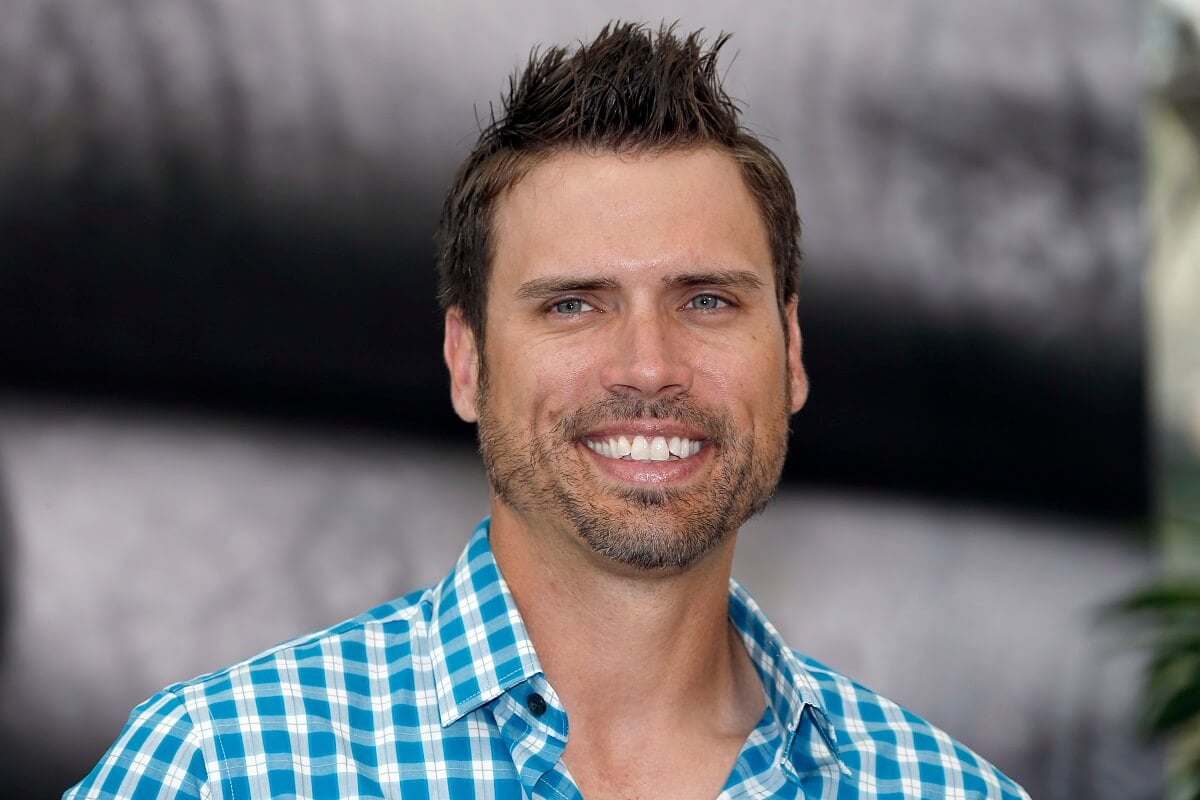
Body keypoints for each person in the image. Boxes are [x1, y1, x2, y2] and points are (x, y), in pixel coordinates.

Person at [65, 23, 1029, 800]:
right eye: (573, 304)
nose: (649, 366)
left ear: (793, 354)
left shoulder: (944, 789)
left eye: (707, 300)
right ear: (466, 362)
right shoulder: (221, 769)